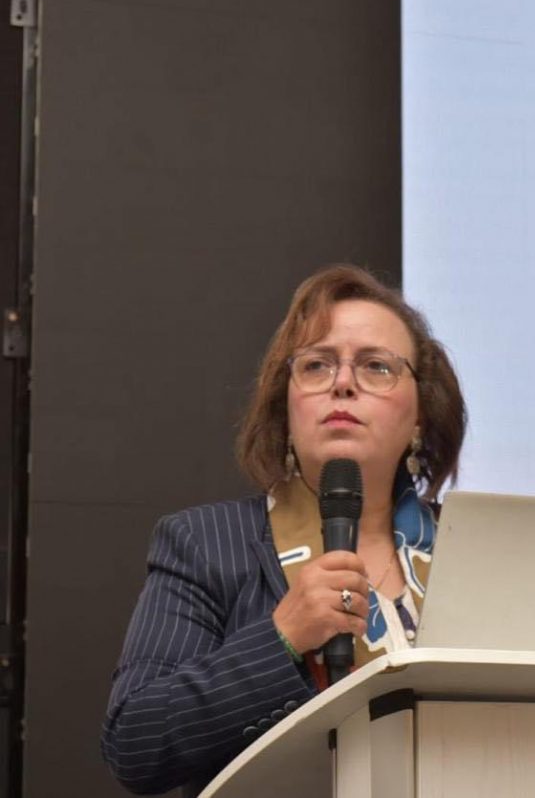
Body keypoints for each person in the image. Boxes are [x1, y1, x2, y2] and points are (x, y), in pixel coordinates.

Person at [101, 265, 467, 796]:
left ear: (420, 414)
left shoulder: (473, 549)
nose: (343, 383)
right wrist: (282, 638)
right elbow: (136, 741)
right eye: (317, 365)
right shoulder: (207, 544)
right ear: (287, 409)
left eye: (376, 366)